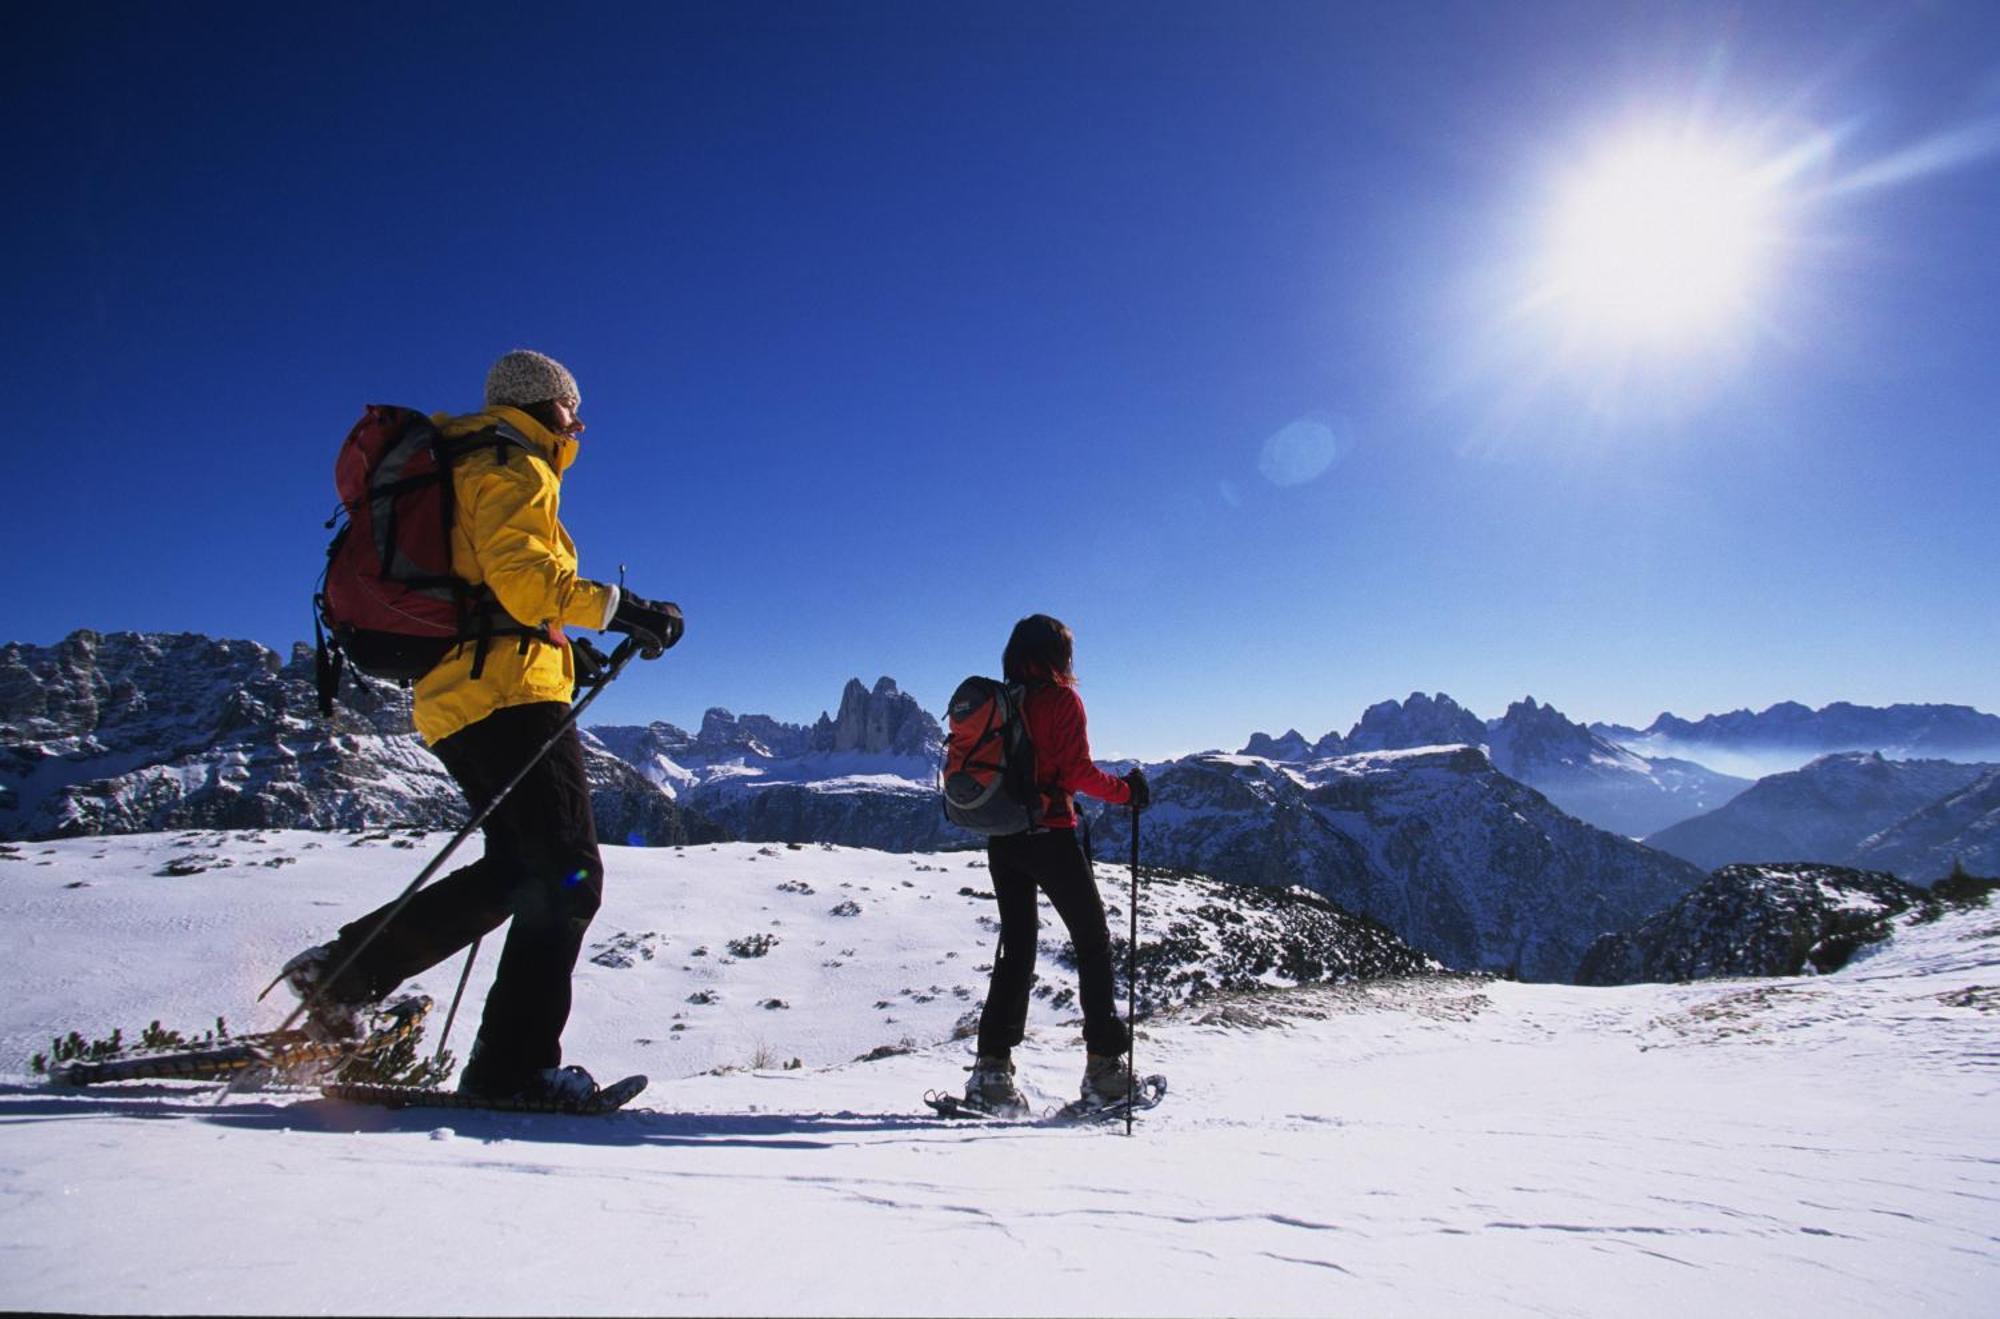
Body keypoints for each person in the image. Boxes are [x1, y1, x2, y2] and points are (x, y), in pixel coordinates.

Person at [281, 349, 683, 1106]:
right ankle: (512, 1068)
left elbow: (491, 592)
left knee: (519, 871)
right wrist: (631, 609)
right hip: (503, 697)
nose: (580, 423)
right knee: (569, 875)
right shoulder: (512, 461)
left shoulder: (472, 457)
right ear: (542, 404)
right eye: (572, 408)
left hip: (465, 695)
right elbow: (530, 581)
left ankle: (341, 979)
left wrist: (567, 652)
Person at [965, 614, 1150, 1115]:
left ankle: (990, 1075)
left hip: (1003, 839)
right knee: (1092, 943)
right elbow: (1076, 772)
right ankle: (1105, 1071)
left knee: (1017, 949)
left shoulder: (1004, 701)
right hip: (1051, 835)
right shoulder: (1060, 699)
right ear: (1058, 656)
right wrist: (1127, 792)